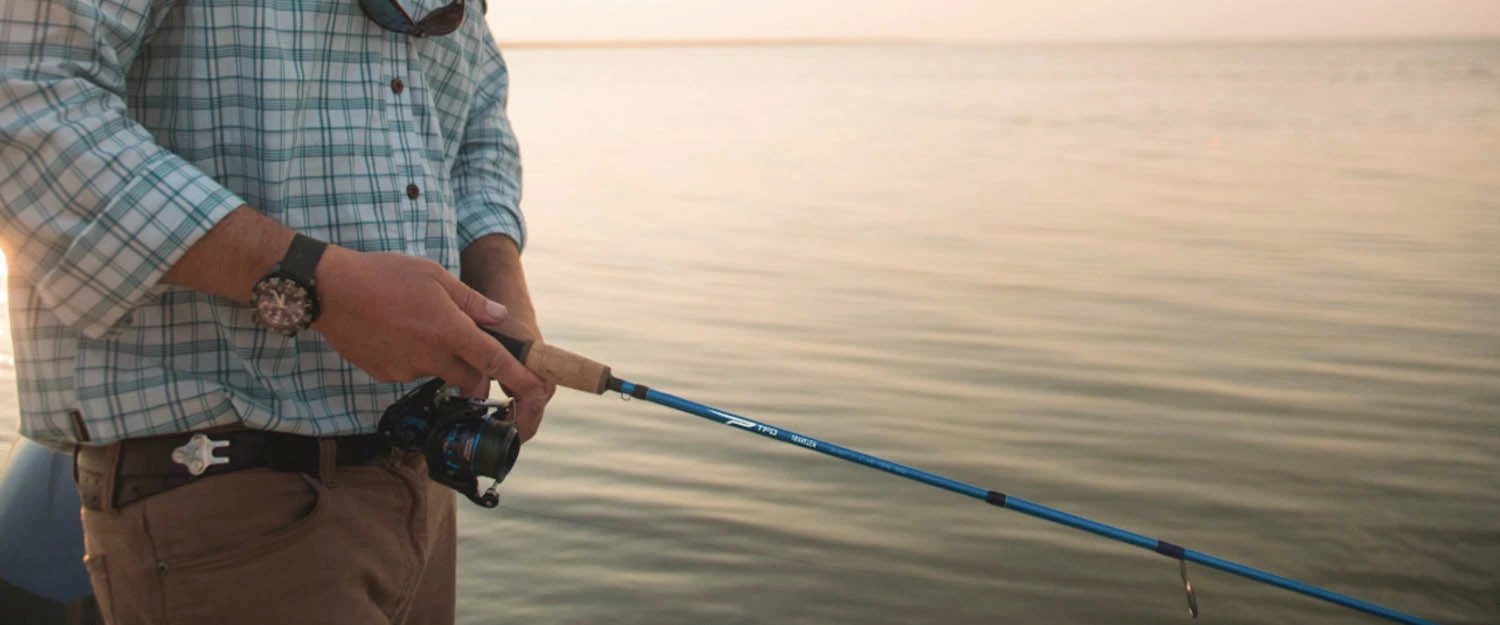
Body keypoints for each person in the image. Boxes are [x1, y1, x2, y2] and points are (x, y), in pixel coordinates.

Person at [0, 0, 555, 621]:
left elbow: (479, 135)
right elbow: (24, 96)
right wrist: (318, 286)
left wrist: (503, 298)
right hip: (221, 491)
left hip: (423, 485)